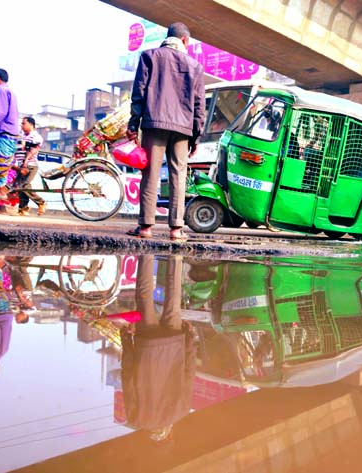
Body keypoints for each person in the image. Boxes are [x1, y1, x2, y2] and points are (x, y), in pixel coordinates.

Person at [125, 22, 205, 242]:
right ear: (185, 41)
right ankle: (176, 230)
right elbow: (199, 105)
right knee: (178, 175)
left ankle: (145, 228)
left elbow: (138, 93)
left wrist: (133, 124)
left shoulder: (149, 56)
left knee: (150, 173)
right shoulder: (195, 66)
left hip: (154, 123)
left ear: (167, 37)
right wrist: (197, 135)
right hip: (183, 129)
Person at [121, 254, 196, 441]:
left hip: (174, 344)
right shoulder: (136, 418)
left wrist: (190, 340)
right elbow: (128, 378)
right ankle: (147, 254)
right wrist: (126, 341)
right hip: (147, 347)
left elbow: (188, 373)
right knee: (144, 298)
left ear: (168, 431)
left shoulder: (181, 411)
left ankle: (176, 258)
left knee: (173, 299)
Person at [12, 117, 47, 216]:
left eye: (23, 124)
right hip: (21, 165)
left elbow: (33, 151)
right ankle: (23, 209)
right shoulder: (23, 137)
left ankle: (41, 202)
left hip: (30, 165)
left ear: (31, 124)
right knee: (21, 186)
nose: (21, 126)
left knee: (24, 185)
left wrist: (25, 164)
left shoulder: (36, 136)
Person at [0, 68, 20, 201]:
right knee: (2, 164)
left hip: (4, 132)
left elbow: (0, 113)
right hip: (11, 133)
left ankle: (2, 191)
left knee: (0, 165)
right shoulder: (11, 91)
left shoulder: (1, 90)